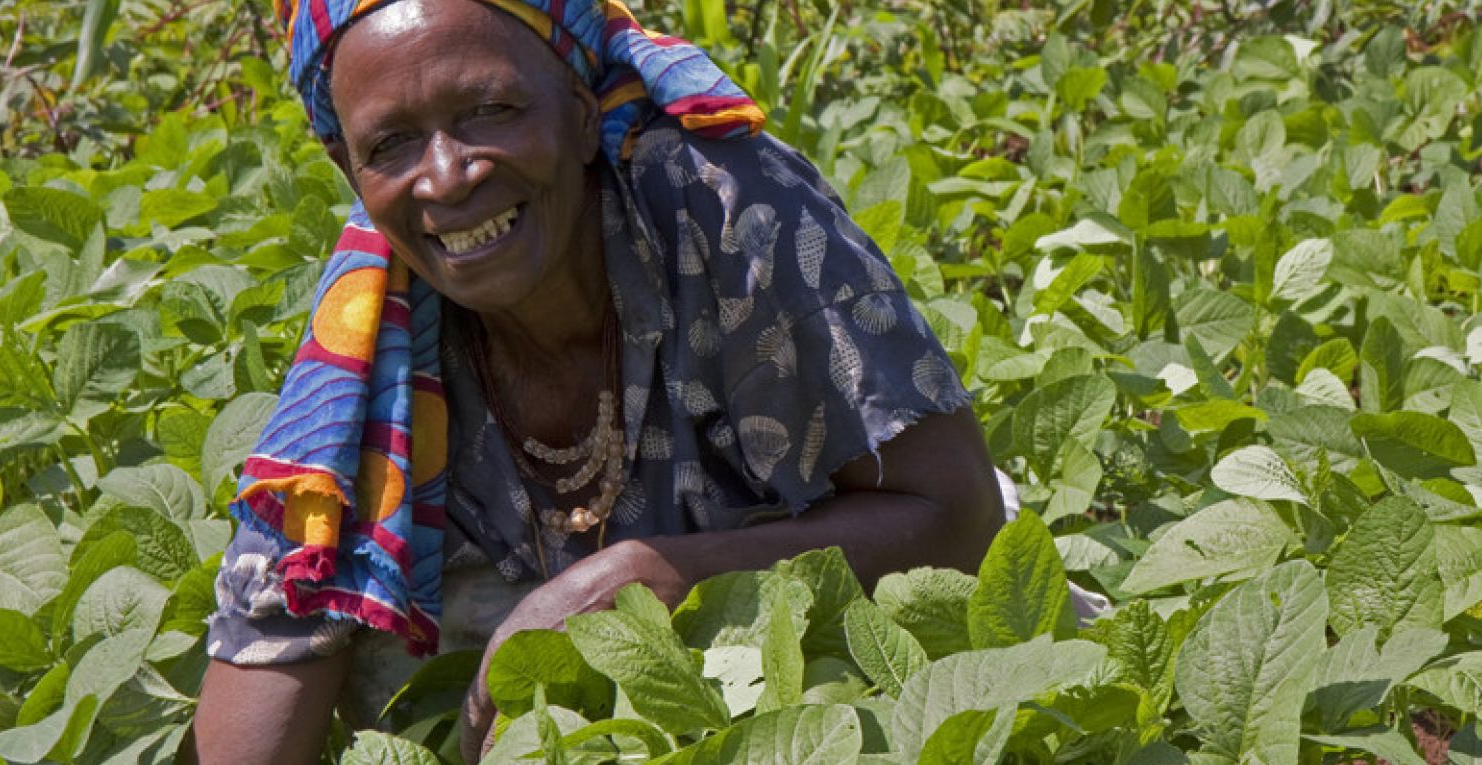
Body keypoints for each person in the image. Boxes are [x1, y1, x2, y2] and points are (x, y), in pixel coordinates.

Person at [186, 0, 1002, 761]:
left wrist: (649, 578)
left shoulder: (722, 207)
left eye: (490, 111)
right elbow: (256, 704)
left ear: (580, 113)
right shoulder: (366, 343)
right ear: (347, 166)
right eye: (390, 144)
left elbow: (958, 516)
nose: (446, 177)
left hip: (788, 661)